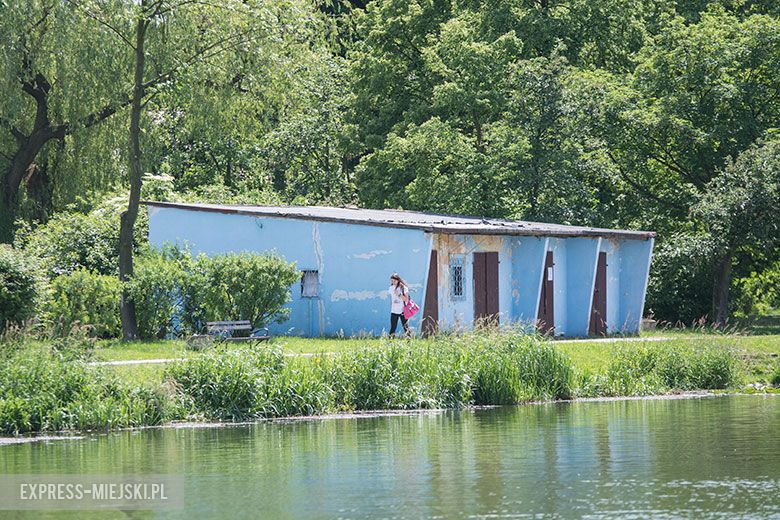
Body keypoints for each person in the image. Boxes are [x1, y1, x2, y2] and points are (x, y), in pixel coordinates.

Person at [388, 273, 410, 337]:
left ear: (398, 280)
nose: (393, 282)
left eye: (394, 281)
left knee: (405, 327)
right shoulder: (391, 288)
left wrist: (399, 295)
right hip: (394, 311)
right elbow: (391, 299)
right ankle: (390, 344)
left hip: (402, 311)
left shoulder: (404, 288)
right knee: (393, 328)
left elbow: (406, 299)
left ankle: (409, 342)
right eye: (392, 281)